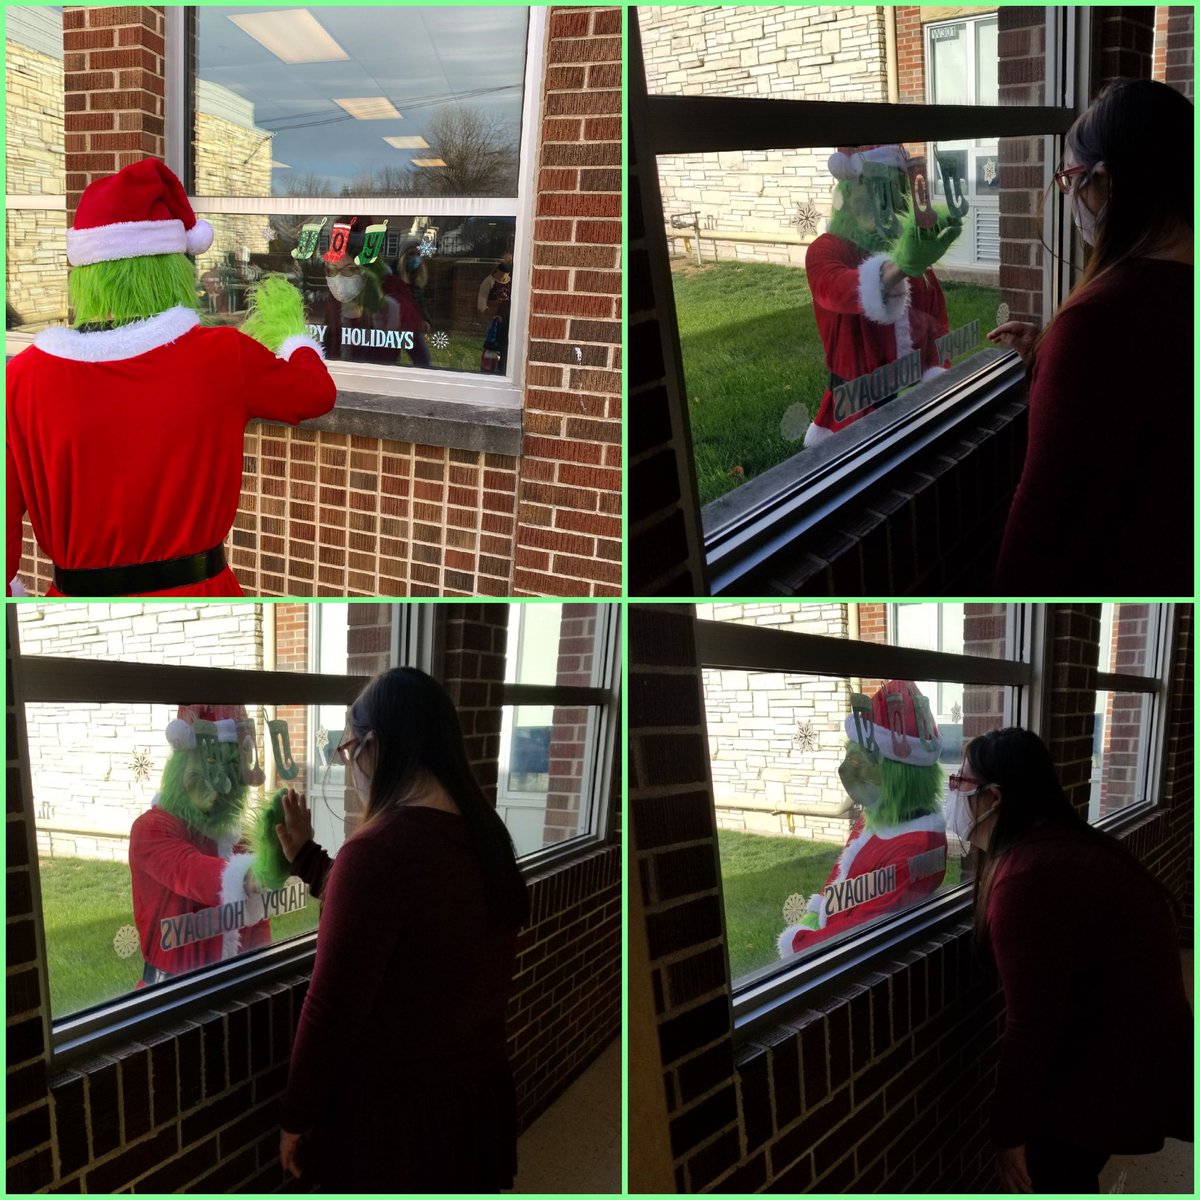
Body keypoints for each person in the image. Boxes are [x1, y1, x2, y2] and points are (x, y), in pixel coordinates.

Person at [5, 157, 335, 597]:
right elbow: (314, 394)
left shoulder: (22, 378)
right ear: (176, 268)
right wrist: (293, 338)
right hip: (203, 595)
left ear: (84, 274)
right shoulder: (221, 355)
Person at [276, 667, 529, 1193]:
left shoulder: (376, 854)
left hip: (396, 1127)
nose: (350, 766)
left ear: (375, 746)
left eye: (348, 750)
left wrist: (295, 1116)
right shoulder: (486, 836)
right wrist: (306, 857)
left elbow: (330, 1009)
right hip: (473, 1104)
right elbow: (405, 917)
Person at [946, 728, 1192, 1194]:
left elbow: (1030, 1026)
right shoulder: (1057, 844)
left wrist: (1008, 1133)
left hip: (1110, 1066)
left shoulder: (1028, 877)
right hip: (1123, 1048)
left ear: (994, 797)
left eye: (960, 783)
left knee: (1056, 1173)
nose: (952, 793)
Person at [990, 79, 1193, 594]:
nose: (1070, 197)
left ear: (1103, 182)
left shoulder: (1099, 323)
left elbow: (1038, 538)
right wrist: (1049, 357)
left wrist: (1069, 351)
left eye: (1070, 180)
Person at [477, 254, 513, 373]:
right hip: (495, 323)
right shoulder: (488, 282)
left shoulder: (512, 282)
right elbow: (481, 304)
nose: (504, 278)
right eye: (502, 275)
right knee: (492, 349)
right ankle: (489, 370)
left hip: (508, 321)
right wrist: (491, 315)